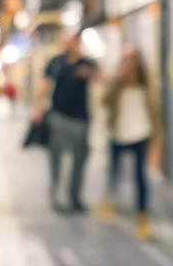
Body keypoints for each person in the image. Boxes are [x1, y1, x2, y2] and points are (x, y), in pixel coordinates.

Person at [95, 47, 159, 241]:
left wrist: (157, 145)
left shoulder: (146, 86)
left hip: (140, 135)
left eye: (131, 60)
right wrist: (116, 80)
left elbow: (156, 114)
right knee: (113, 172)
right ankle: (110, 203)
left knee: (140, 177)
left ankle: (141, 216)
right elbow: (105, 101)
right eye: (125, 60)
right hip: (118, 135)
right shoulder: (118, 84)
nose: (128, 64)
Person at [33, 31, 100, 212]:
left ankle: (75, 196)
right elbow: (44, 85)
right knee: (56, 158)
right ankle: (56, 195)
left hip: (81, 118)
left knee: (80, 159)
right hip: (59, 116)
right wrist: (38, 109)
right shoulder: (56, 62)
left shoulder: (86, 62)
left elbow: (100, 79)